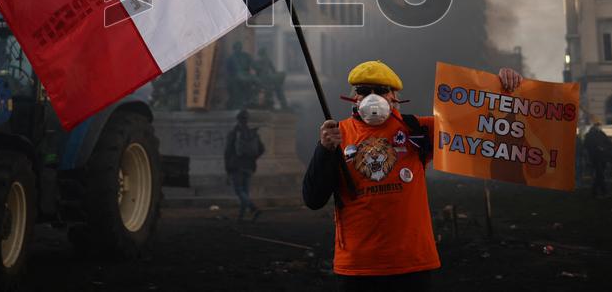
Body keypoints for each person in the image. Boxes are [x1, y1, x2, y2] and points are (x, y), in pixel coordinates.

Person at [302, 60, 523, 291]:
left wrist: (501, 89)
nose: (372, 97)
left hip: (411, 265)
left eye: (381, 90)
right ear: (354, 97)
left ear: (394, 96)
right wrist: (323, 150)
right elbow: (313, 199)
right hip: (358, 268)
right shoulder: (337, 136)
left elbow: (477, 125)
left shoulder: (415, 130)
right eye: (364, 91)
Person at [224, 109, 265, 221]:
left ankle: (253, 208)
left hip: (236, 166)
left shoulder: (233, 133)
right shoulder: (253, 133)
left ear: (238, 120)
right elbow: (261, 149)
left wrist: (227, 168)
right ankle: (241, 217)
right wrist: (253, 157)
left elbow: (227, 152)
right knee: (245, 192)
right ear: (247, 120)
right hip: (249, 165)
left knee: (239, 191)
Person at [584, 122, 612, 197]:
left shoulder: (599, 134)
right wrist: (599, 148)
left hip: (599, 157)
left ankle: (595, 191)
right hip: (597, 157)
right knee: (600, 174)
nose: (599, 127)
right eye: (598, 126)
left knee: (599, 174)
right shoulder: (592, 135)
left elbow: (608, 142)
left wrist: (605, 148)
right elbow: (588, 146)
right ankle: (603, 191)